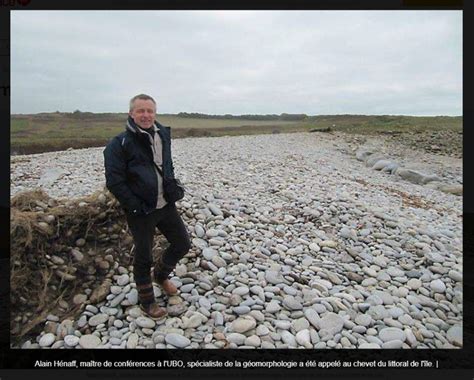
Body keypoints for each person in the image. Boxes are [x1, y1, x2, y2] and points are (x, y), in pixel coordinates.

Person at [103, 94, 191, 319]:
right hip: (141, 210)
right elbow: (114, 181)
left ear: (155, 113)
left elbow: (165, 165)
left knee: (182, 243)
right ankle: (147, 301)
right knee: (144, 256)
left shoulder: (163, 135)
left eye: (149, 111)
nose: (145, 115)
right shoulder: (118, 144)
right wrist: (134, 206)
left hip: (165, 204)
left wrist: (172, 186)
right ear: (131, 114)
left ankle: (160, 276)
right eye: (140, 111)